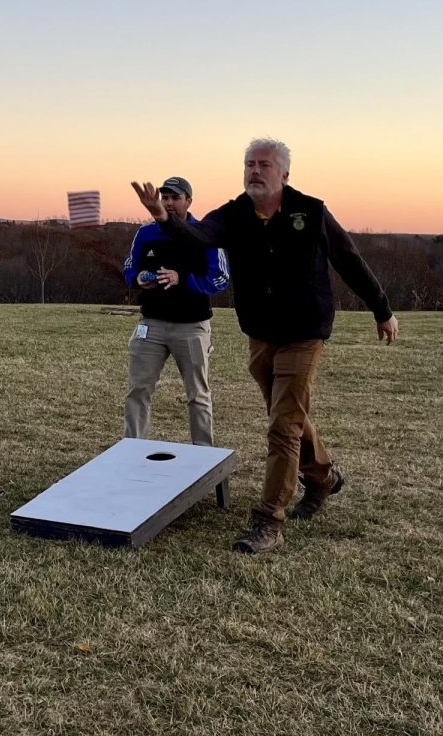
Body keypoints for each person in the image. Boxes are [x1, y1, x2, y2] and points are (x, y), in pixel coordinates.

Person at [132, 138, 399, 554]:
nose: (255, 171)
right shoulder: (235, 213)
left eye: (265, 165)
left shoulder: (309, 211)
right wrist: (165, 218)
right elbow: (199, 237)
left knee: (282, 426)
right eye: (249, 164)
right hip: (261, 333)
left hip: (305, 332)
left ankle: (268, 519)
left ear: (284, 174)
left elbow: (349, 258)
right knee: (285, 413)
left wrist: (381, 310)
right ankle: (324, 477)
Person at [122, 176, 229, 445]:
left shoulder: (203, 234)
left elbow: (221, 278)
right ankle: (131, 451)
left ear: (188, 201)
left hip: (191, 327)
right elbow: (128, 269)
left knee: (198, 395)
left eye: (175, 198)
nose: (169, 203)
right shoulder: (146, 234)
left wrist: (183, 279)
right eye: (165, 198)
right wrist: (140, 278)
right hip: (152, 325)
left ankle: (203, 458)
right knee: (138, 391)